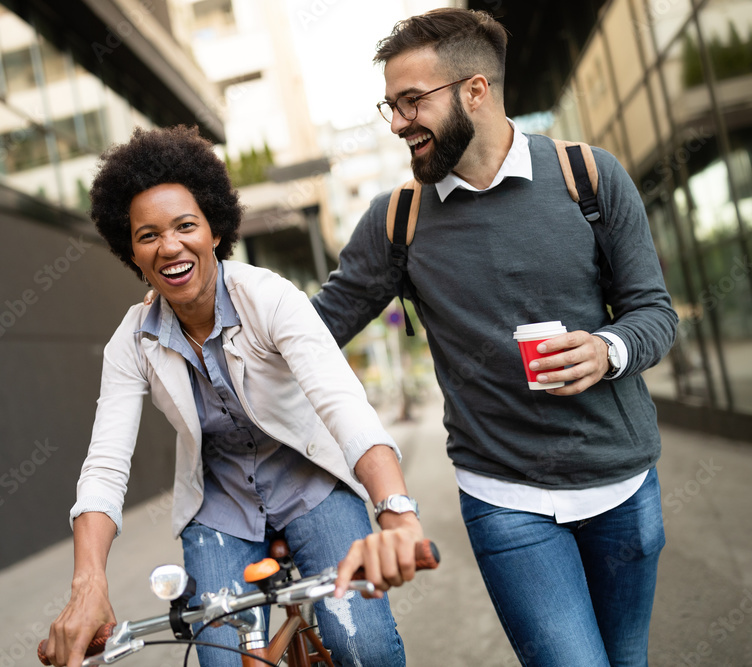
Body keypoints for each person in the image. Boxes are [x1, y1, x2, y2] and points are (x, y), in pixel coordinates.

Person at [316, 9, 678, 667]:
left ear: (475, 91)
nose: (397, 122)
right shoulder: (397, 219)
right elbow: (316, 328)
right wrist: (211, 297)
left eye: (411, 101)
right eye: (389, 106)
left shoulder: (589, 177)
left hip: (623, 485)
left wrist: (608, 349)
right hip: (505, 496)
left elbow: (654, 312)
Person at [44, 125, 424, 667]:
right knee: (220, 660)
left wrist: (396, 513)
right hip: (218, 506)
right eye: (147, 235)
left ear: (215, 230)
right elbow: (105, 466)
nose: (169, 245)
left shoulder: (269, 298)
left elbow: (345, 406)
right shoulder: (131, 341)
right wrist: (88, 585)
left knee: (364, 647)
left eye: (185, 226)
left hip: (312, 484)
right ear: (131, 250)